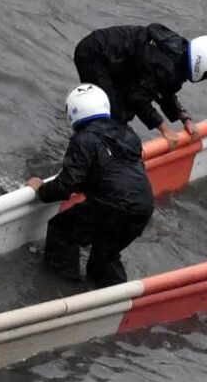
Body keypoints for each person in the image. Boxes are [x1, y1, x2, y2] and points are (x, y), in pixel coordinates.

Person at [26, 84, 154, 288]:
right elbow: (113, 171)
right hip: (143, 206)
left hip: (112, 205)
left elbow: (66, 186)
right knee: (105, 257)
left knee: (62, 230)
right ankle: (116, 300)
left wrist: (40, 189)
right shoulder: (127, 134)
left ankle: (59, 288)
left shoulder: (83, 139)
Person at [73, 24, 207, 148]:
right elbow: (137, 99)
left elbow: (165, 92)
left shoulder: (178, 53)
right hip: (95, 56)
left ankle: (98, 145)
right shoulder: (166, 65)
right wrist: (164, 129)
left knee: (123, 113)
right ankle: (86, 152)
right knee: (113, 118)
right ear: (202, 66)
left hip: (112, 59)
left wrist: (184, 118)